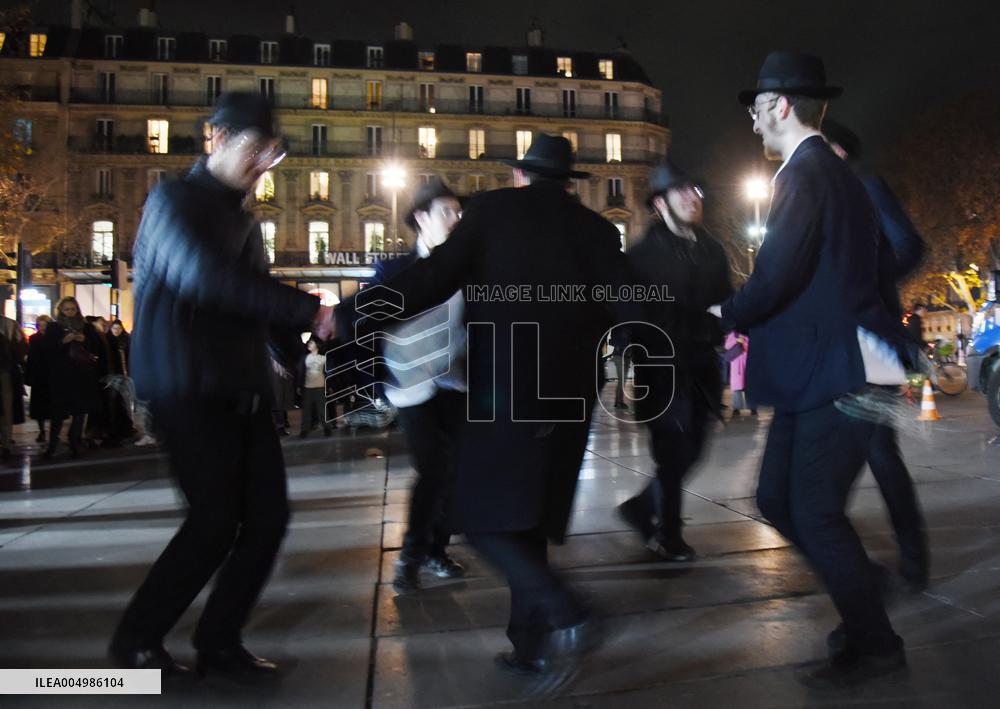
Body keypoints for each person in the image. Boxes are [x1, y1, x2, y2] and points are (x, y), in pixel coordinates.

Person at [335, 134, 639, 686]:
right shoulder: (597, 231)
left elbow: (429, 280)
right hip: (571, 399)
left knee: (477, 519)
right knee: (529, 523)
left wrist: (352, 312)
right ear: (569, 183)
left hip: (507, 394)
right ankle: (531, 649)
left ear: (520, 176)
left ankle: (570, 612)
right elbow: (631, 306)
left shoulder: (494, 211)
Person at [110, 92, 334, 679]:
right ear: (216, 137)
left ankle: (220, 641)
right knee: (214, 521)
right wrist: (311, 311)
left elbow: (254, 306)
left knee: (267, 520)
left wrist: (311, 338)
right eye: (255, 149)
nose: (263, 164)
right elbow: (204, 279)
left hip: (242, 387)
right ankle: (134, 643)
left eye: (273, 154)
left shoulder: (243, 219)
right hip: (186, 385)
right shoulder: (172, 200)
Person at [724, 51, 911, 689]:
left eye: (756, 109)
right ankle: (863, 590)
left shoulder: (806, 174)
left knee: (812, 510)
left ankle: (876, 641)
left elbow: (776, 274)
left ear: (780, 104)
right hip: (830, 369)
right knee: (778, 498)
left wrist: (725, 311)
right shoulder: (827, 174)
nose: (752, 123)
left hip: (847, 370)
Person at [824, 119, 929, 594]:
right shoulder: (823, 201)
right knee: (845, 450)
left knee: (880, 454)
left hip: (872, 340)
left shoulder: (865, 187)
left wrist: (871, 279)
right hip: (834, 344)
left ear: (840, 152)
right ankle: (840, 549)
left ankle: (911, 560)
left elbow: (910, 244)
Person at [616, 162, 733, 561]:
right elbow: (642, 316)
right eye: (682, 191)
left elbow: (725, 302)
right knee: (671, 451)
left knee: (694, 449)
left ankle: (641, 507)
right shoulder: (641, 256)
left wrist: (722, 325)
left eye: (696, 190)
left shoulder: (713, 249)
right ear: (660, 204)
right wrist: (704, 321)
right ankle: (669, 533)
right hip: (660, 369)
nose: (692, 197)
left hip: (701, 367)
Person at [374, 178, 468, 593]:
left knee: (454, 472)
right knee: (432, 467)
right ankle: (412, 555)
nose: (456, 219)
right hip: (410, 385)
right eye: (447, 211)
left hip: (456, 382)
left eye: (458, 212)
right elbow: (368, 324)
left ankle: (435, 549)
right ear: (421, 218)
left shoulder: (469, 270)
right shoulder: (395, 271)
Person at [43, 297, 102, 460]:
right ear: (60, 310)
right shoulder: (54, 327)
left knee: (79, 412)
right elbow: (48, 350)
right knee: (58, 413)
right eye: (66, 309)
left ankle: (75, 443)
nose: (70, 312)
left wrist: (85, 340)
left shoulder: (86, 327)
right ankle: (52, 445)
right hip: (61, 376)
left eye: (73, 309)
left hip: (81, 375)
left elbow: (96, 348)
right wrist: (63, 341)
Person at [0, 296, 27, 459]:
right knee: (5, 408)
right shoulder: (10, 324)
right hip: (5, 372)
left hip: (5, 371)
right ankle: (6, 442)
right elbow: (22, 349)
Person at [26, 315, 52, 443]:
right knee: (39, 407)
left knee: (51, 406)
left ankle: (51, 432)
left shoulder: (53, 339)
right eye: (40, 325)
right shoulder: (34, 339)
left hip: (50, 376)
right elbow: (31, 358)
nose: (42, 328)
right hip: (39, 375)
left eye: (45, 325)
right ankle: (42, 430)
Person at [299, 339, 330, 438]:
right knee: (306, 410)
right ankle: (304, 430)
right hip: (308, 387)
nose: (309, 345)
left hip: (320, 386)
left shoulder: (323, 358)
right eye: (309, 343)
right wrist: (299, 385)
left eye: (311, 343)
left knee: (322, 410)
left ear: (317, 345)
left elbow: (328, 372)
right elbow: (300, 372)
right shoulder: (305, 357)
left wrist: (329, 385)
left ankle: (327, 428)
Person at [725, 331, 756, 416]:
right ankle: (737, 408)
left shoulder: (750, 332)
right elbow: (727, 346)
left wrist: (745, 342)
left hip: (747, 363)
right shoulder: (733, 334)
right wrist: (736, 340)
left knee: (749, 386)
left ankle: (753, 408)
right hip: (736, 364)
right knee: (737, 387)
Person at [608, 326, 631, 410]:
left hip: (626, 356)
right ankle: (618, 402)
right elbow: (612, 341)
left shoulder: (629, 327)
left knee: (623, 381)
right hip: (619, 356)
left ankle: (618, 401)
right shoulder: (618, 327)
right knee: (622, 380)